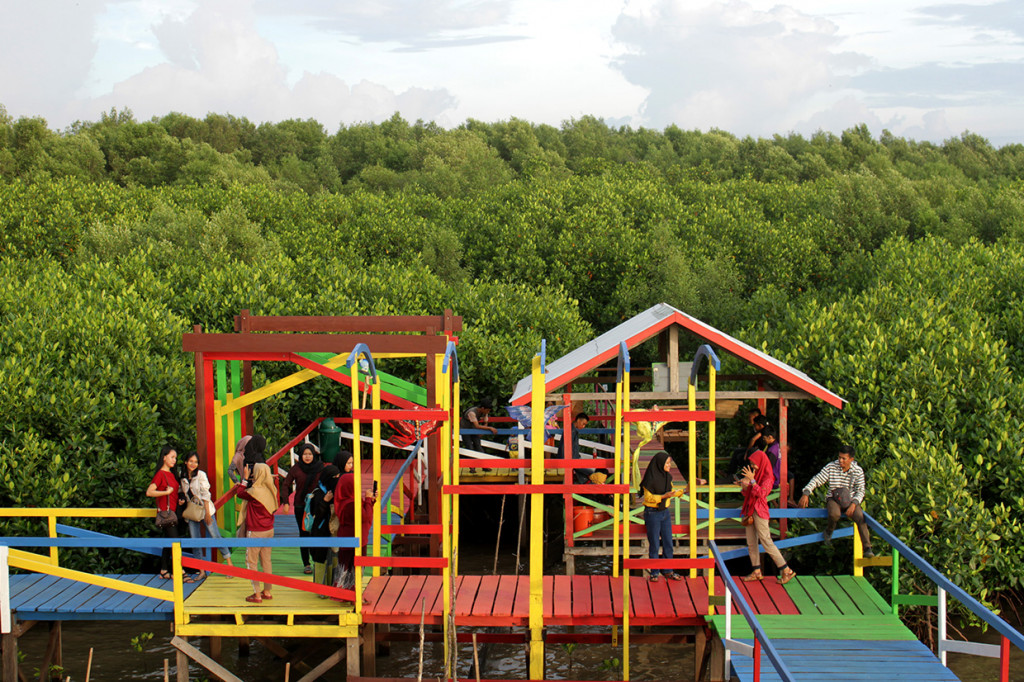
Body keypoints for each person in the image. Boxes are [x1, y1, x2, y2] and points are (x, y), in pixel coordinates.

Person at [798, 445, 874, 557]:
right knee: (834, 514)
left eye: (844, 458)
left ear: (851, 459)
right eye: (839, 457)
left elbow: (861, 490)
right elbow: (817, 479)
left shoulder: (858, 471)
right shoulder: (831, 467)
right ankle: (829, 531)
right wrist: (806, 493)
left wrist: (854, 504)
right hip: (834, 498)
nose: (840, 461)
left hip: (850, 500)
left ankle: (867, 547)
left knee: (860, 517)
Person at [739, 450, 796, 583]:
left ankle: (786, 570)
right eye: (752, 465)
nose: (753, 467)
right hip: (750, 510)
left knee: (766, 541)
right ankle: (756, 570)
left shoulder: (768, 477)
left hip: (760, 511)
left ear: (761, 462)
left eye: (754, 464)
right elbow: (748, 493)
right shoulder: (756, 476)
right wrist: (744, 485)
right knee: (751, 542)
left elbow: (762, 494)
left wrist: (752, 481)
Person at [180, 451, 233, 578]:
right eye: (191, 461)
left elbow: (206, 494)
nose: (193, 464)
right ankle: (202, 570)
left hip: (205, 509)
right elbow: (182, 492)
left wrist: (208, 513)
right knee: (195, 540)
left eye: (196, 462)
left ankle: (230, 566)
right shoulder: (182, 477)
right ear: (186, 462)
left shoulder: (201, 475)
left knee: (215, 536)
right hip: (192, 512)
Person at [639, 451, 685, 582]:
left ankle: (668, 570)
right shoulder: (650, 479)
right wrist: (664, 496)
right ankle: (654, 572)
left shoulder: (667, 477)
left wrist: (684, 490)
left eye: (670, 463)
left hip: (664, 512)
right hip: (652, 513)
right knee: (654, 543)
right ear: (660, 464)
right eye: (668, 463)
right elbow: (648, 497)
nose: (670, 465)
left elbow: (672, 492)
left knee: (668, 542)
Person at [280, 443, 325, 574]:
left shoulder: (319, 468)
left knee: (316, 532)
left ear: (313, 455)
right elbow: (285, 485)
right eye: (305, 454)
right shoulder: (296, 469)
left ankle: (317, 560)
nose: (307, 456)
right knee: (304, 532)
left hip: (316, 505)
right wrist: (286, 502)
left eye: (310, 454)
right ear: (300, 455)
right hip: (300, 506)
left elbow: (327, 481)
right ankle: (306, 563)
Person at [146, 446, 189, 581]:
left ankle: (164, 570)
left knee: (168, 541)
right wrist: (166, 493)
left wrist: (179, 499)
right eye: (172, 457)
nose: (174, 460)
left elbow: (175, 492)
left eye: (175, 458)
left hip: (174, 512)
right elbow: (149, 492)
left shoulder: (171, 474)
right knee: (175, 541)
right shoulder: (161, 474)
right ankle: (179, 571)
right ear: (164, 457)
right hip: (166, 513)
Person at [238, 462, 279, 603]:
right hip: (269, 530)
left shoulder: (254, 492)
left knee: (251, 562)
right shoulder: (272, 489)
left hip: (255, 531)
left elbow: (240, 493)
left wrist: (244, 478)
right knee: (266, 560)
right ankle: (267, 591)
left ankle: (256, 595)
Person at [335, 471, 376, 590]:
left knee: (346, 569)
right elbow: (366, 517)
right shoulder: (351, 504)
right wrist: (368, 499)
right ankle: (352, 595)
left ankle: (345, 594)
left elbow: (363, 512)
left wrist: (370, 501)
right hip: (355, 540)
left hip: (346, 540)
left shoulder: (344, 501)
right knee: (355, 569)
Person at [308, 465, 341, 594]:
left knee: (333, 558)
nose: (337, 480)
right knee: (321, 559)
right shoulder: (318, 493)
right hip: (320, 532)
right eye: (335, 478)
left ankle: (333, 587)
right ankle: (320, 590)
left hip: (332, 532)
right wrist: (325, 501)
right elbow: (316, 515)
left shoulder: (333, 490)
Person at [560, 413, 595, 484]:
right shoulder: (571, 431)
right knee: (590, 472)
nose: (583, 426)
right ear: (578, 420)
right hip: (570, 460)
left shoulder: (572, 430)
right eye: (583, 423)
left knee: (585, 474)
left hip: (572, 459)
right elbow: (565, 447)